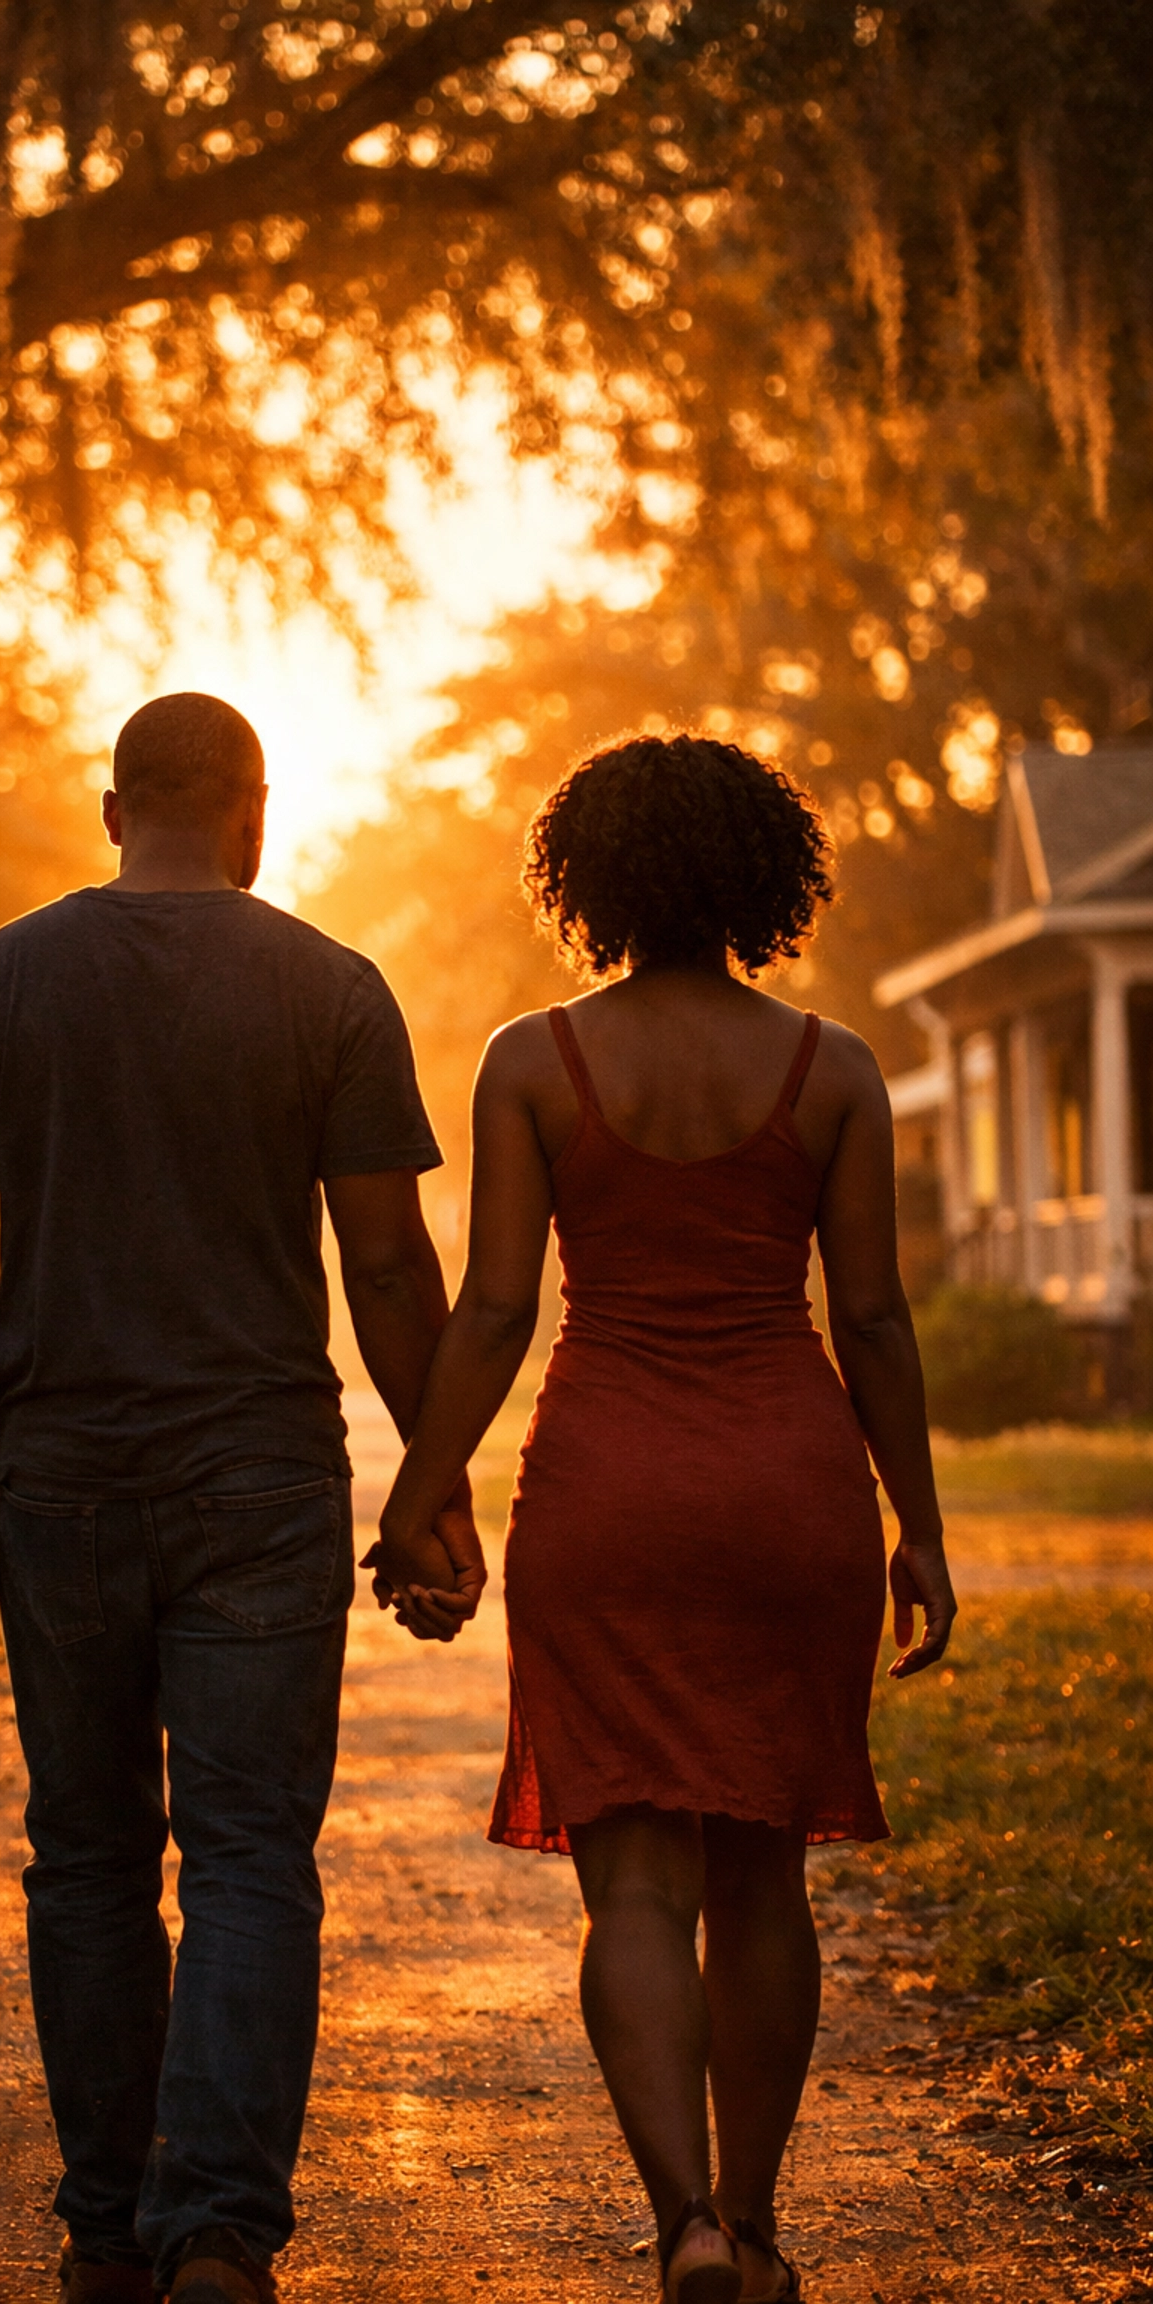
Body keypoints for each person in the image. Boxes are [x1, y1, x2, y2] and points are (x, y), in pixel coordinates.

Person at [0, 692, 483, 2304]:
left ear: (110, 810)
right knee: (245, 1856)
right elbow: (386, 1266)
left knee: (86, 1854)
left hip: (59, 1474)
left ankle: (105, 2237)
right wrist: (433, 1485)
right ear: (254, 811)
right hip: (262, 1478)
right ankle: (215, 2229)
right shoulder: (331, 988)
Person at [375, 733, 957, 2304]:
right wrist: (918, 1527)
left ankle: (685, 2221)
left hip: (607, 1493)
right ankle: (755, 2230)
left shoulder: (532, 1061)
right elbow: (875, 1319)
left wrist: (418, 1497)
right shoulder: (833, 1070)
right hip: (789, 1492)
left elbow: (498, 1309)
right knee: (764, 1877)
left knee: (634, 1882)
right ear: (768, 878)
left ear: (589, 881)